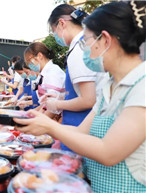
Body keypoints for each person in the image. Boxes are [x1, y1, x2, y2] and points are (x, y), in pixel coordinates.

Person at [14, 1, 146, 192]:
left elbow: (108, 151)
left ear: (106, 40)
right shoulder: (111, 85)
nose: (84, 49)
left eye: (87, 41)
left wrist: (50, 125)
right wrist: (42, 124)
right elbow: (81, 132)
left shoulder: (141, 85)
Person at [42, 4, 109, 152]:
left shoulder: (80, 49)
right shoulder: (79, 47)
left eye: (54, 31)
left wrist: (57, 104)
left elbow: (88, 99)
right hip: (78, 126)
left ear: (61, 23)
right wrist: (60, 97)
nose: (55, 36)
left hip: (82, 125)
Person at [24, 42, 66, 114]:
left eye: (29, 61)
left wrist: (35, 122)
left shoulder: (53, 72)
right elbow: (45, 105)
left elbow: (53, 110)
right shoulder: (43, 75)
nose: (29, 65)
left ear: (40, 55)